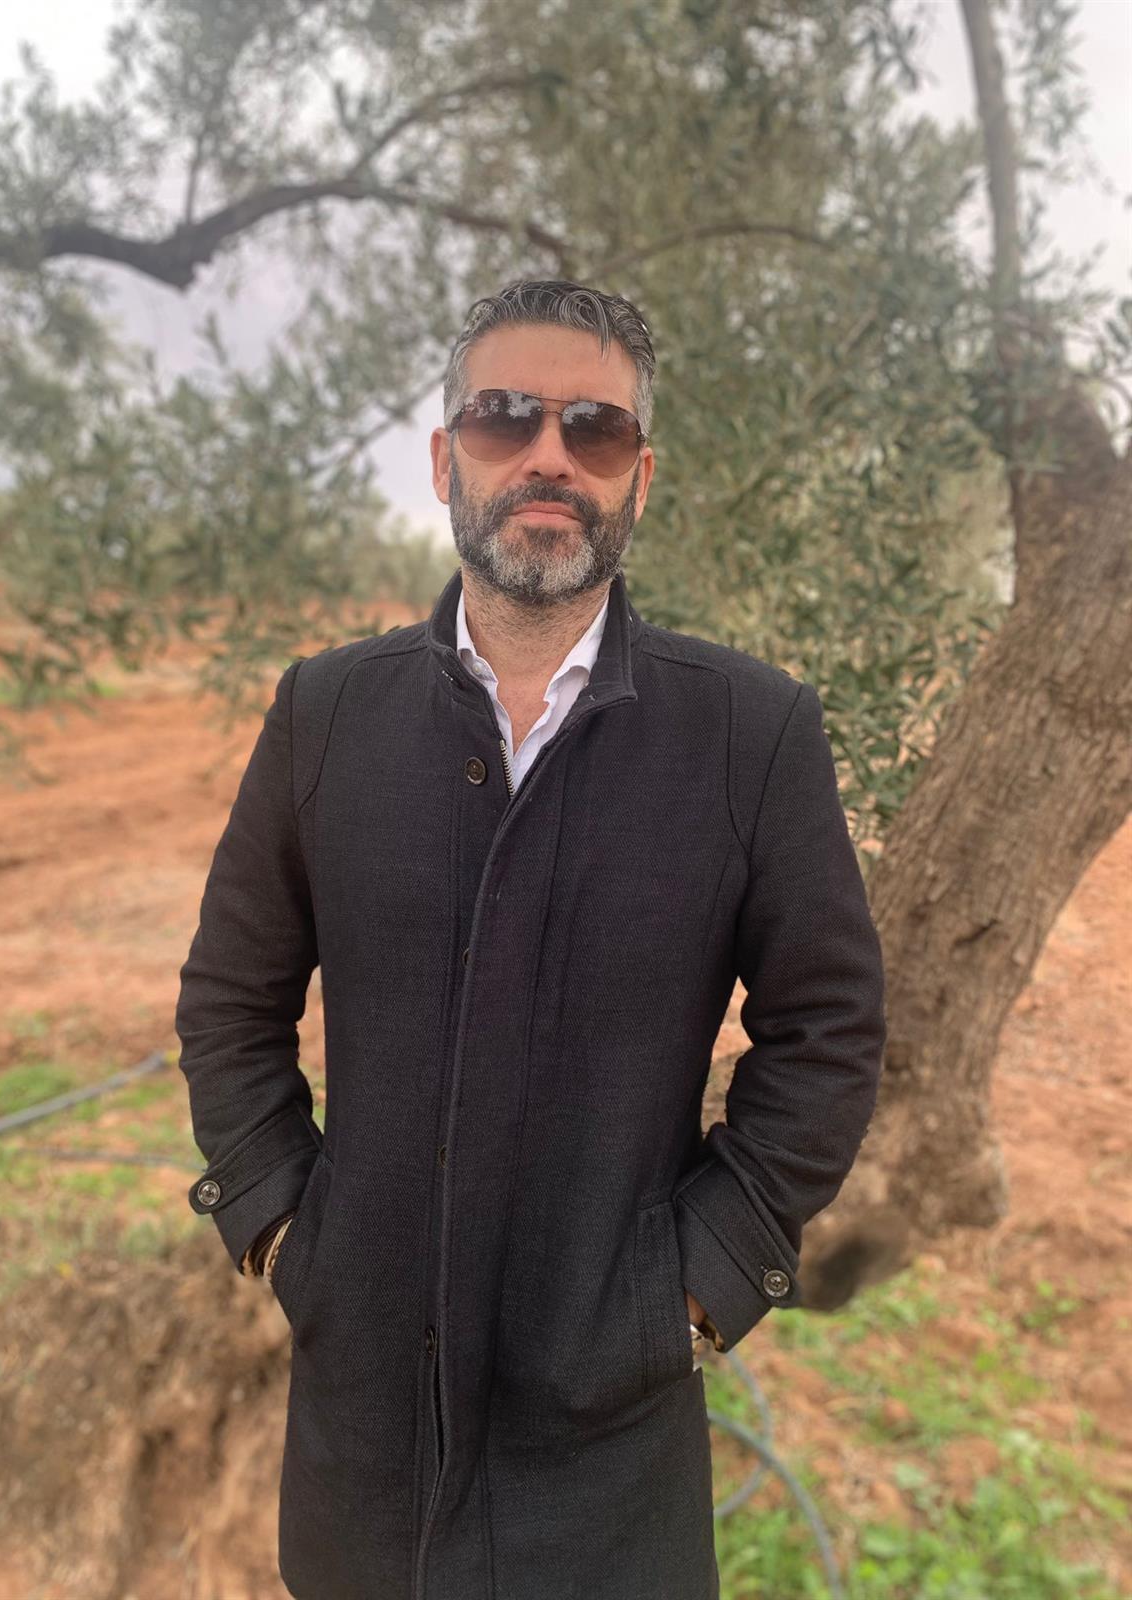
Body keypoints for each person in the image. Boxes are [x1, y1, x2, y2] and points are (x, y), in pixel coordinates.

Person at [175, 278, 887, 1600]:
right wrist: (281, 1230)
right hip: (360, 1463)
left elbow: (831, 1031)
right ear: (446, 459)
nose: (551, 455)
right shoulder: (325, 713)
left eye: (595, 428)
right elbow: (229, 996)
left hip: (609, 1469)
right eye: (506, 419)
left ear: (640, 479)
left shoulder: (751, 732)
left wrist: (696, 1287)